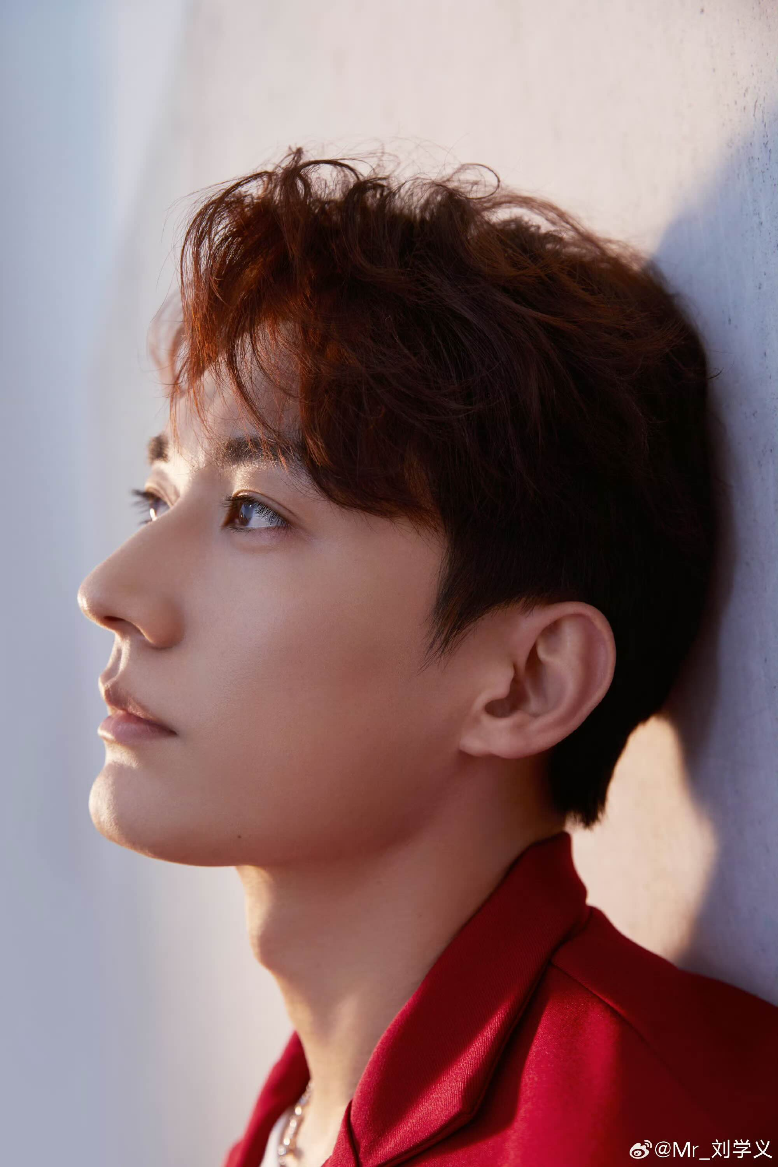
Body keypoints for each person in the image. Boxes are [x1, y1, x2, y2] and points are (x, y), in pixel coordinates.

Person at [77, 149, 777, 1167]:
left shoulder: (662, 1124)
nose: (109, 590)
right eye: (156, 498)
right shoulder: (289, 1134)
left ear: (525, 683)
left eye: (256, 511)